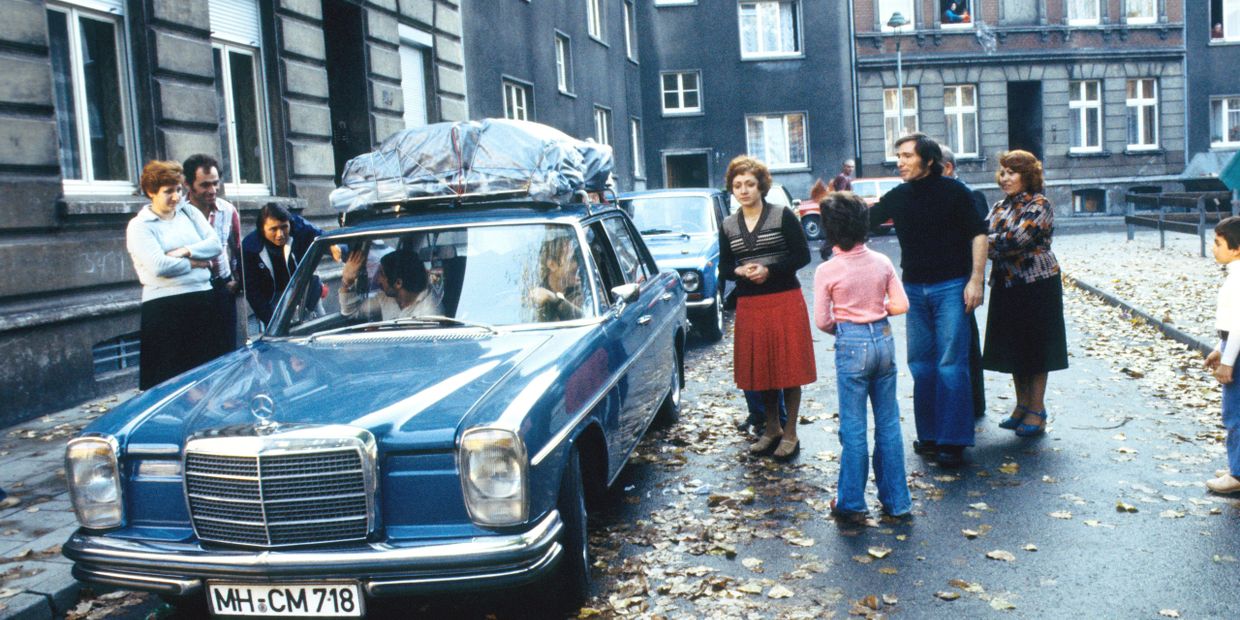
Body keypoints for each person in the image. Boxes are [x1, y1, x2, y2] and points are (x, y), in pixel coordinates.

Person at [868, 133, 987, 467]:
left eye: (907, 156)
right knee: (921, 364)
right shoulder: (899, 195)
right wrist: (834, 210)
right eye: (898, 156)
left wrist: (976, 280)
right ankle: (931, 435)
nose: (900, 162)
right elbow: (863, 220)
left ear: (929, 160)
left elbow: (979, 234)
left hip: (951, 286)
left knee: (950, 363)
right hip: (914, 289)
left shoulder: (955, 192)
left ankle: (954, 440)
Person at [813, 191, 911, 523]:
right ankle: (897, 501)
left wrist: (847, 328)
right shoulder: (882, 262)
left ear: (829, 229)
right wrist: (875, 312)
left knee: (854, 427)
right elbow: (901, 305)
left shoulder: (827, 270)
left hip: (851, 343)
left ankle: (852, 502)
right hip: (883, 339)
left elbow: (822, 321)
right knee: (888, 422)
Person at [719, 155, 816, 460]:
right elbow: (724, 266)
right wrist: (739, 271)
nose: (744, 190)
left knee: (788, 367)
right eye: (737, 185)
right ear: (732, 189)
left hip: (784, 299)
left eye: (750, 184)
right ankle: (772, 428)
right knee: (763, 368)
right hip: (751, 303)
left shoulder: (782, 215)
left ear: (761, 186)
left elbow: (802, 255)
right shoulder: (728, 224)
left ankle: (790, 432)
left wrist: (769, 271)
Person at [984, 150, 1068, 437]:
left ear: (1028, 175)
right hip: (1006, 283)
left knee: (1036, 347)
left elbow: (1016, 239)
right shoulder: (999, 206)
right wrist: (988, 242)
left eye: (1012, 172)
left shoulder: (1040, 204)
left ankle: (1037, 409)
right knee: (1014, 347)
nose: (1005, 178)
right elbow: (983, 235)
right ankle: (1021, 405)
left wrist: (985, 243)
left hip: (1036, 283)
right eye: (1003, 172)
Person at [125, 160, 222, 390]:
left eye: (178, 189)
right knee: (171, 381)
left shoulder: (188, 212)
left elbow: (215, 245)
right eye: (168, 191)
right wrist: (194, 262)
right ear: (151, 192)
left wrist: (184, 251)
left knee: (206, 379)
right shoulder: (140, 226)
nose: (176, 197)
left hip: (202, 299)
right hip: (166, 307)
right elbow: (159, 265)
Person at [941, 145, 988, 419]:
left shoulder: (969, 195)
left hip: (961, 280)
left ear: (947, 168)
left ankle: (973, 404)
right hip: (949, 279)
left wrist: (975, 279)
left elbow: (978, 238)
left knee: (965, 343)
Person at [182, 154, 242, 354]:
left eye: (215, 183)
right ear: (188, 184)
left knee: (227, 349)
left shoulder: (228, 210)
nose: (212, 190)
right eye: (205, 185)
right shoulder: (179, 212)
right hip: (192, 289)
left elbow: (237, 248)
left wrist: (238, 281)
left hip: (223, 287)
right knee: (197, 351)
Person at [242, 203, 327, 326]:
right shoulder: (249, 247)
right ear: (262, 229)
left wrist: (334, 247)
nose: (280, 234)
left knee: (320, 326)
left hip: (306, 291)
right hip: (273, 298)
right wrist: (271, 321)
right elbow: (253, 291)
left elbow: (324, 238)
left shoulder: (300, 227)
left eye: (284, 227)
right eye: (273, 229)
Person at [1206, 217, 1240, 494]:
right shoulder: (1234, 273)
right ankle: (1235, 463)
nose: (1213, 248)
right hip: (1232, 345)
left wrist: (1228, 362)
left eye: (1218, 243)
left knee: (1234, 413)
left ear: (1236, 248)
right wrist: (1220, 347)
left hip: (1238, 351)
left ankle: (1237, 474)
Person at [340, 246, 443, 320]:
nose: (377, 280)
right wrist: (347, 283)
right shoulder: (386, 298)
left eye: (382, 274)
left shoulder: (429, 313)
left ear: (398, 283)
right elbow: (353, 312)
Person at [529, 233, 586, 322]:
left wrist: (555, 299)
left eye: (578, 258)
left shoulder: (586, 291)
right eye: (572, 259)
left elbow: (585, 318)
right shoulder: (535, 293)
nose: (578, 265)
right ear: (552, 264)